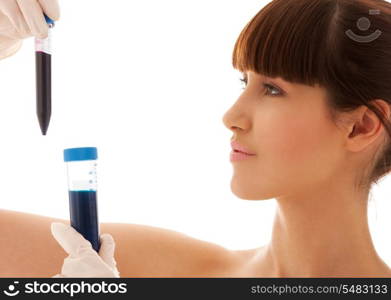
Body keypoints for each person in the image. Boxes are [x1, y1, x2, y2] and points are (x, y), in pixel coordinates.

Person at [1, 0, 391, 278]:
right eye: (244, 82)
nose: (231, 117)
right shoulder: (146, 267)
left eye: (272, 89)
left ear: (361, 127)